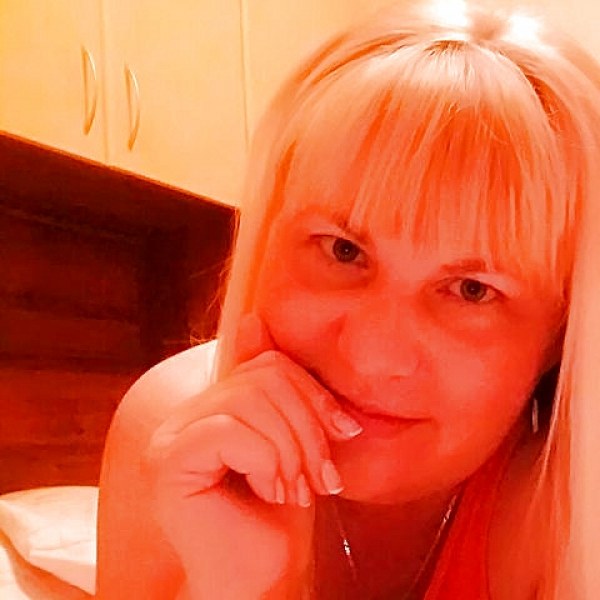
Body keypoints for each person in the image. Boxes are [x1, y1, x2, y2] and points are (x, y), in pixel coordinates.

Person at [96, 0, 600, 598]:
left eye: (473, 290)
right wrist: (228, 586)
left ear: (560, 335)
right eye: (342, 250)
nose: (373, 356)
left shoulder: (568, 506)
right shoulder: (176, 436)